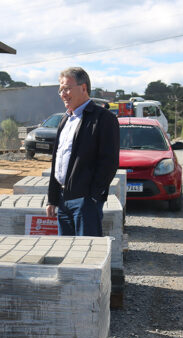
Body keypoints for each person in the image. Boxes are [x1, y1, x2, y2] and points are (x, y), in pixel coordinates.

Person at [46, 67, 119, 236]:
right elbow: (57, 161)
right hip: (63, 201)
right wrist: (52, 198)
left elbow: (109, 162)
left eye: (67, 88)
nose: (63, 94)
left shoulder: (102, 119)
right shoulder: (65, 119)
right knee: (67, 256)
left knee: (86, 255)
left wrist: (92, 197)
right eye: (60, 90)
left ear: (84, 88)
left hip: (85, 202)